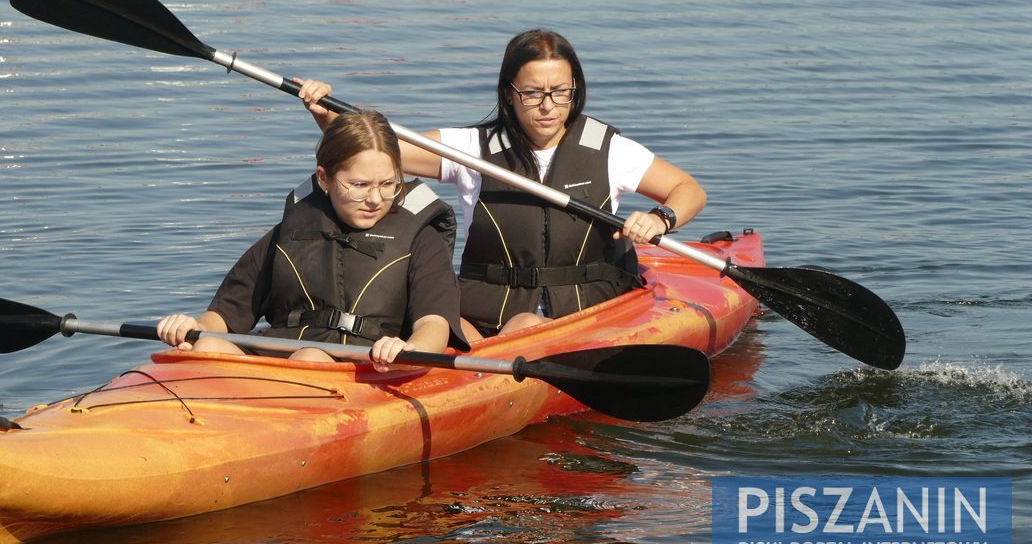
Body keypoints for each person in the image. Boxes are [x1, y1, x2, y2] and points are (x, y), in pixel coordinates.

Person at [302, 29, 706, 343]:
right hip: (486, 314)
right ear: (509, 95)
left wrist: (660, 218)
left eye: (560, 92)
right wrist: (327, 117)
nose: (548, 106)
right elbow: (379, 151)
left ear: (575, 90)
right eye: (532, 93)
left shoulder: (609, 149)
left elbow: (688, 189)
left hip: (590, 311)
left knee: (527, 325)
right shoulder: (471, 150)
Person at [157, 109, 461, 370]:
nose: (375, 199)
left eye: (387, 184)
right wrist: (195, 327)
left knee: (311, 356)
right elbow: (224, 316)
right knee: (208, 348)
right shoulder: (289, 231)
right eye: (359, 185)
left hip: (365, 365)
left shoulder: (422, 239)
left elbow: (433, 324)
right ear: (323, 178)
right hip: (284, 357)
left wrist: (409, 349)